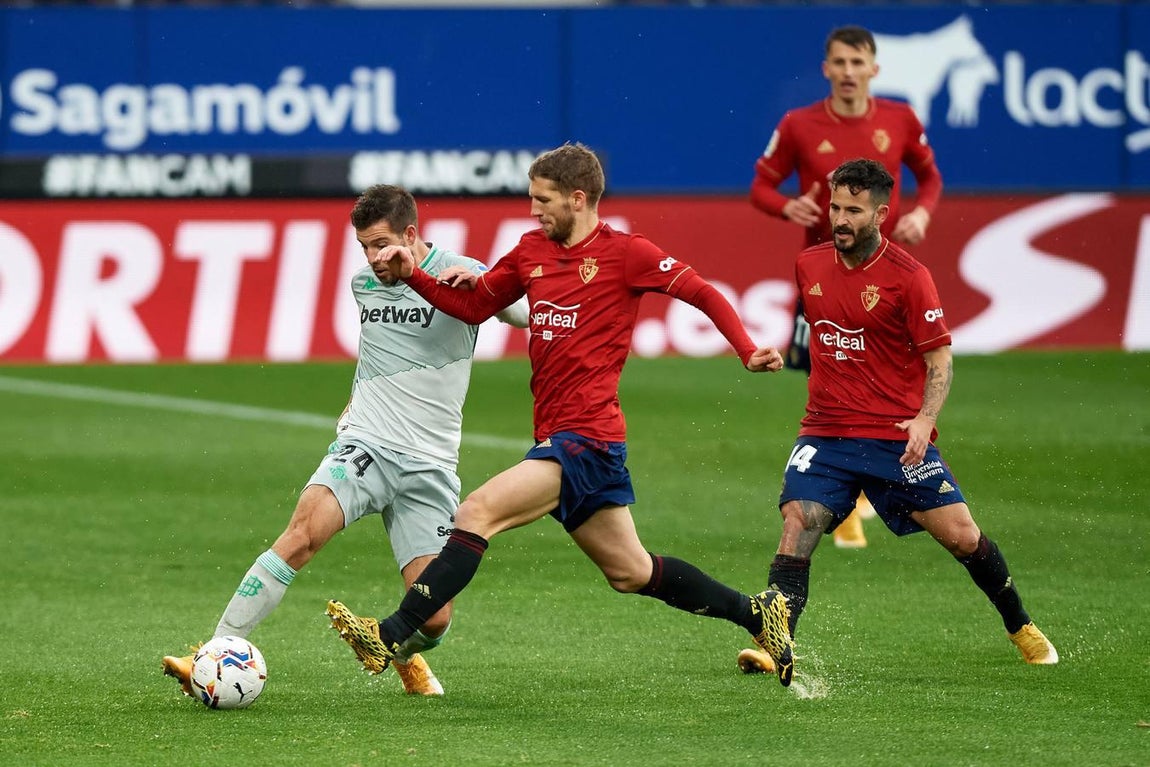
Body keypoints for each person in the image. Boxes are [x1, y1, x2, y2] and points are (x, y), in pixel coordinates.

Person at [325, 142, 799, 688]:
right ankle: (757, 613)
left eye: (543, 200)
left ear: (578, 199)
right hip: (561, 437)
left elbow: (703, 293)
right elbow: (474, 306)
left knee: (476, 511)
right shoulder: (529, 252)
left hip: (587, 438)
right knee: (631, 571)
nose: (533, 210)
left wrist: (745, 349)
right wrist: (414, 275)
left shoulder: (628, 253)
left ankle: (387, 637)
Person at [162, 184, 530, 697]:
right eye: (363, 245)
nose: (372, 258)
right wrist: (356, 403)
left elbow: (529, 313)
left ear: (410, 234)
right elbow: (378, 353)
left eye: (381, 243)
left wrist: (490, 287)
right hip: (367, 446)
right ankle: (211, 652)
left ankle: (399, 652)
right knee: (301, 536)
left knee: (437, 617)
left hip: (431, 466)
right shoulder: (365, 284)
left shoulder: (460, 272)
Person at [736, 159, 1057, 679]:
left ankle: (1020, 624)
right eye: (835, 207)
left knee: (962, 538)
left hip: (896, 438)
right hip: (825, 431)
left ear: (882, 214)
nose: (840, 219)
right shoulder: (809, 264)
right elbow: (820, 334)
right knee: (800, 520)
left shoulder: (910, 278)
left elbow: (939, 359)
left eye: (853, 211)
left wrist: (925, 419)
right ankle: (778, 642)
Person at [750, 24, 945, 549]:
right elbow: (761, 185)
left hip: (886, 280)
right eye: (839, 63)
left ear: (874, 69)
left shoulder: (901, 119)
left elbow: (930, 178)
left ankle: (859, 494)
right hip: (821, 279)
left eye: (858, 63)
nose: (848, 72)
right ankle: (845, 491)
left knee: (879, 376)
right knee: (829, 376)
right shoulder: (799, 124)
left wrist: (924, 214)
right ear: (826, 69)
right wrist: (784, 204)